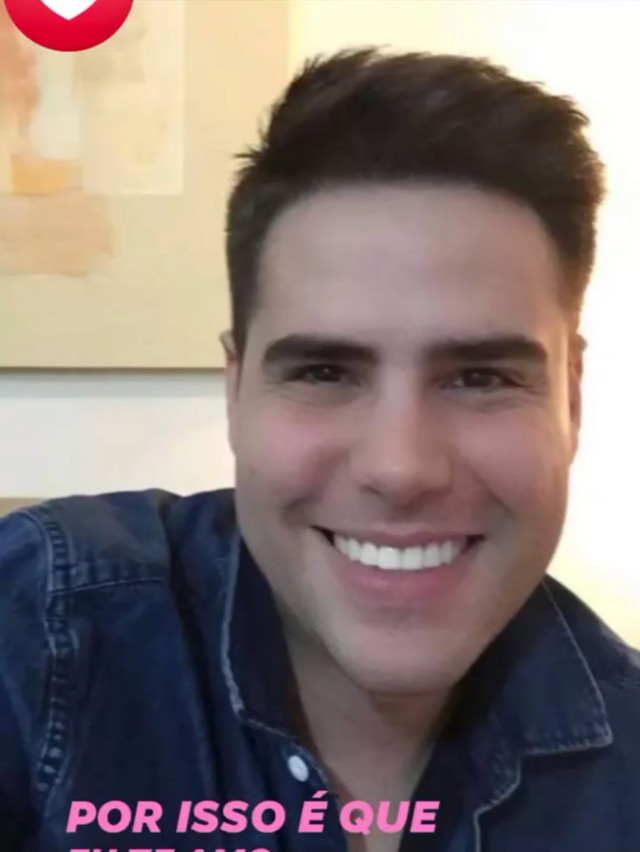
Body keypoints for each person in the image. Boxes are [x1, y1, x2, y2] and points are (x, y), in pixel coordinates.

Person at [1, 47, 639, 852]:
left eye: (480, 377)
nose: (400, 468)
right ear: (235, 390)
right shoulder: (41, 627)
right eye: (325, 372)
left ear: (572, 397)